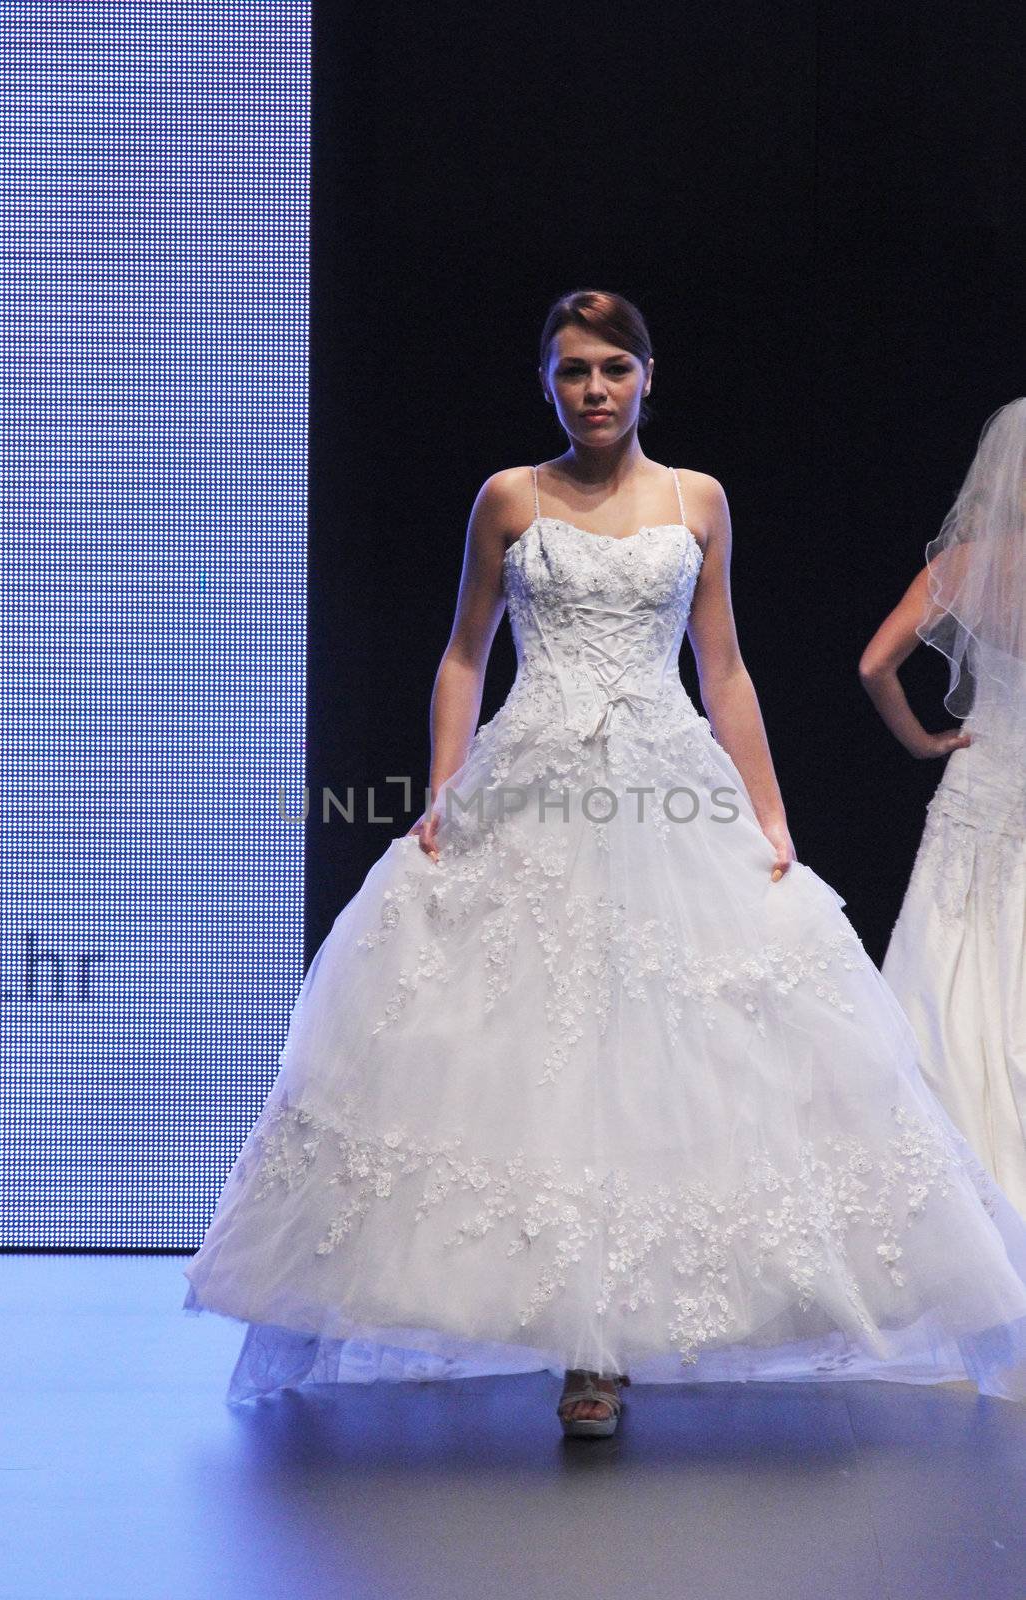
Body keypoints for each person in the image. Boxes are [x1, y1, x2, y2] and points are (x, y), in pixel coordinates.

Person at [184, 294, 1026, 1438]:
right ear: (545, 380)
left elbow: (721, 670)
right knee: (523, 1049)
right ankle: (572, 1348)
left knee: (656, 1049)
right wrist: (442, 792)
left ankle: (611, 1348)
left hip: (666, 785)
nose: (593, 388)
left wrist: (769, 819)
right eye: (572, 369)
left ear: (645, 377)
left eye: (613, 367)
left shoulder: (697, 501)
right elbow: (461, 655)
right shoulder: (507, 499)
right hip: (528, 782)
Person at [860, 397, 1026, 1213]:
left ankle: (953, 1212)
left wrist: (923, 742)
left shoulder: (961, 568)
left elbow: (871, 666)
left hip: (979, 781)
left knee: (950, 975)